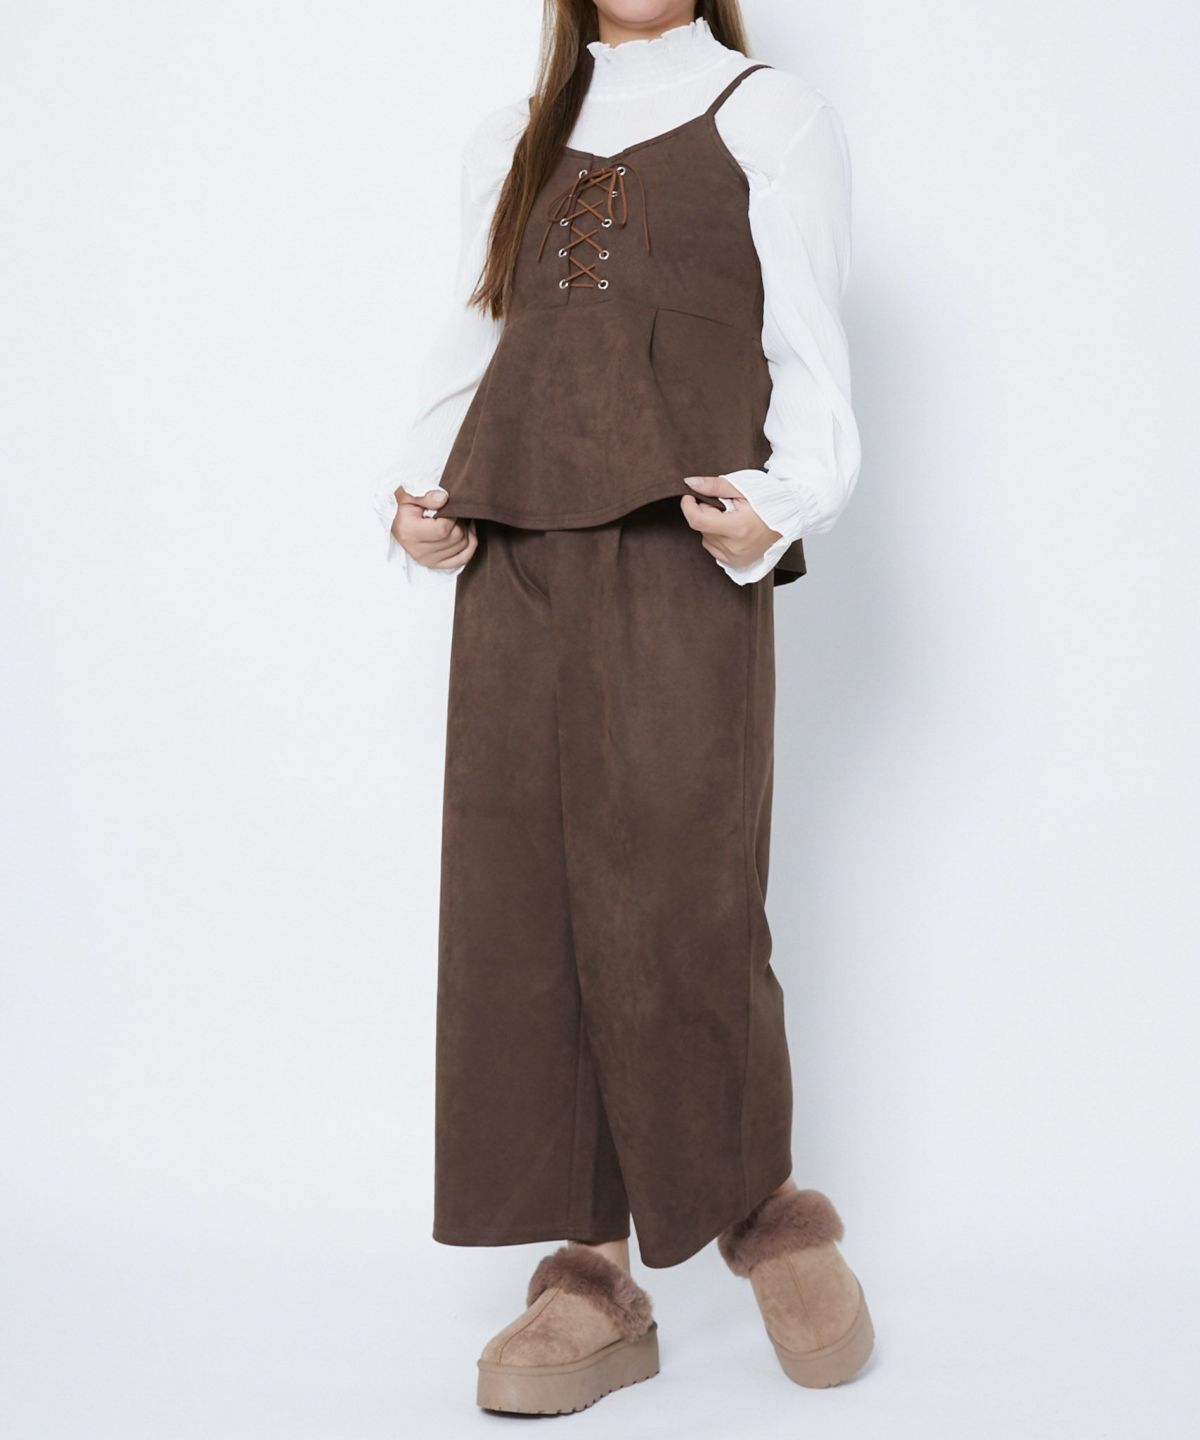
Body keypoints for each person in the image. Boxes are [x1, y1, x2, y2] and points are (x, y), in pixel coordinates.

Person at [374, 1, 873, 1415]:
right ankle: (588, 1274)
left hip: (679, 535)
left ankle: (766, 1212)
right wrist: (416, 499)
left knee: (685, 883)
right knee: (523, 898)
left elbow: (810, 340)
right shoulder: (514, 139)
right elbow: (475, 336)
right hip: (515, 545)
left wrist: (784, 501)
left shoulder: (770, 115)